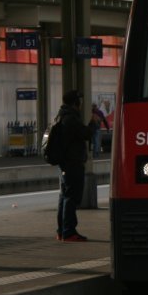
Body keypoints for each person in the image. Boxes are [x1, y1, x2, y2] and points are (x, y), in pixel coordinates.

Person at [55, 89, 95, 242]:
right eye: (80, 100)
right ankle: (69, 231)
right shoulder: (71, 118)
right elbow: (85, 134)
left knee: (64, 197)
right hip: (73, 163)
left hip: (65, 163)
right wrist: (92, 123)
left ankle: (62, 231)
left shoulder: (61, 116)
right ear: (75, 102)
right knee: (71, 198)